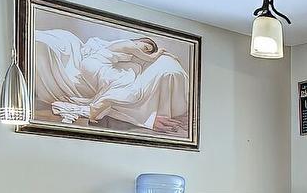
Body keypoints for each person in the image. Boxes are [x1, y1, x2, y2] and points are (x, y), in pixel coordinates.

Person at [31, 30, 191, 135]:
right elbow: (148, 58)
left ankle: (91, 109)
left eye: (148, 49)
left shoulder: (118, 47)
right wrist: (159, 52)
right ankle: (90, 109)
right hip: (95, 66)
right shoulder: (130, 45)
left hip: (94, 65)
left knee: (124, 86)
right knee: (127, 89)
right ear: (137, 41)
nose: (144, 51)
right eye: (144, 46)